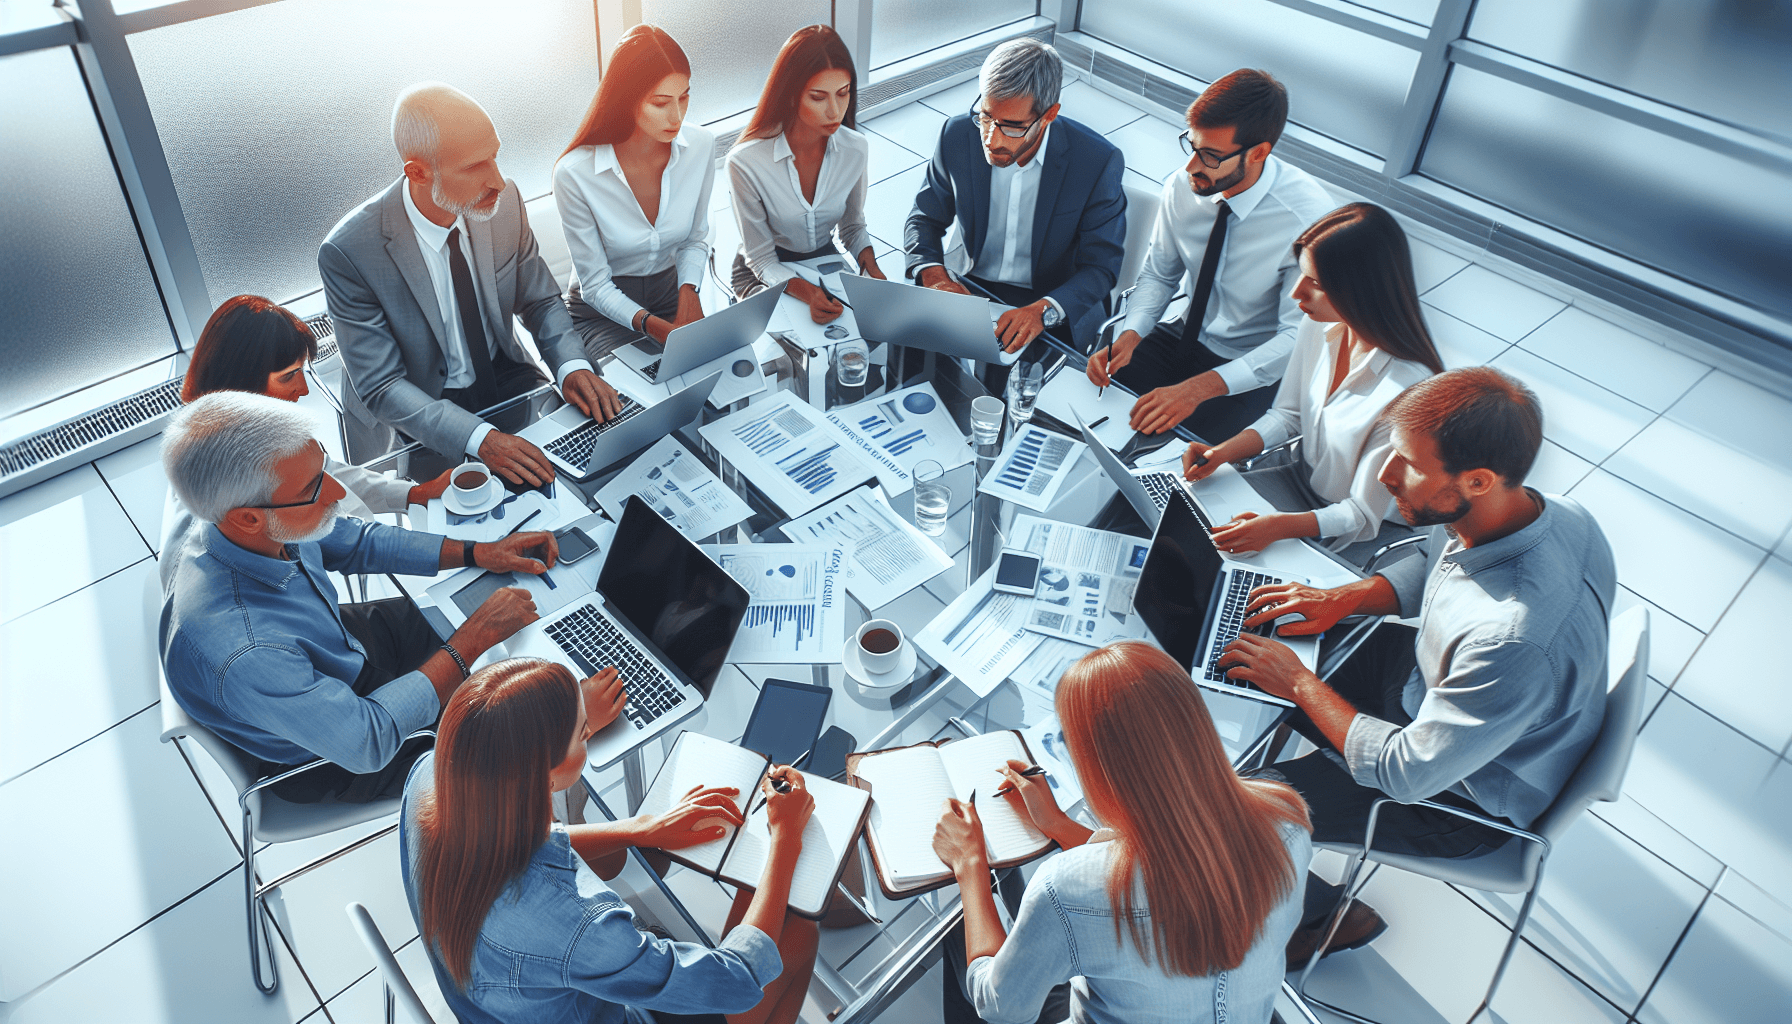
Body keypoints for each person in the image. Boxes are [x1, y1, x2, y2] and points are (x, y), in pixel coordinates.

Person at [1216, 367, 1615, 967]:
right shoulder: (1547, 512)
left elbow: (1407, 774)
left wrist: (1297, 682)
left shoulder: (1512, 638)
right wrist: (1342, 600)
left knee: (1229, 812)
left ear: (1477, 479)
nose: (1383, 475)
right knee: (1253, 639)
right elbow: (1434, 564)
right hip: (1427, 693)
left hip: (1460, 796)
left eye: (1406, 462)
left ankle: (1318, 920)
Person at [158, 391, 576, 803]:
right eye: (313, 488)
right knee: (529, 740)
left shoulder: (250, 521)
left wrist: (478, 552)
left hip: (338, 646)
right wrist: (472, 640)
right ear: (247, 518)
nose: (338, 494)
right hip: (332, 753)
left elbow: (356, 542)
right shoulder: (245, 651)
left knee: (467, 615)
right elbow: (368, 741)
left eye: (324, 469)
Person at [401, 657, 819, 1024]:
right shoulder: (583, 926)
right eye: (583, 734)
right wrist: (785, 835)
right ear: (540, 775)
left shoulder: (430, 778)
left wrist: (644, 828)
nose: (589, 733)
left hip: (496, 1008)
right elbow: (737, 979)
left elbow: (519, 847)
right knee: (800, 926)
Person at [931, 641, 1312, 1024]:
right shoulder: (1287, 818)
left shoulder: (1063, 890)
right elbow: (1169, 877)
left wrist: (971, 864)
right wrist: (1058, 826)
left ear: (1100, 770)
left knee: (955, 921)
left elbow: (1001, 1007)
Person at [320, 83, 621, 487]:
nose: (497, 180)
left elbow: (540, 302)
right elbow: (383, 385)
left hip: (506, 376)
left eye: (495, 156)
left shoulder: (504, 203)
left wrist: (571, 365)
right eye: (475, 166)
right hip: (420, 411)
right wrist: (482, 440)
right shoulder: (349, 252)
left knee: (597, 458)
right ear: (418, 172)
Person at [1181, 203, 1444, 558]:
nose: (1296, 294)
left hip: (1351, 526)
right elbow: (1289, 416)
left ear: (1361, 289)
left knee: (1217, 557)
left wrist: (1276, 526)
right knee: (1185, 515)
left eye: (1315, 283)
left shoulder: (1407, 390)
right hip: (1297, 480)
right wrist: (1221, 453)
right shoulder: (1318, 325)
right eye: (1301, 275)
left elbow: (1361, 513)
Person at [1086, 69, 1333, 440]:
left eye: (1212, 156)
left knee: (1182, 466)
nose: (1191, 167)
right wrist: (1132, 333)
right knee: (1088, 408)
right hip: (1182, 335)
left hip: (1249, 365)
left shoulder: (1307, 220)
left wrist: (1198, 389)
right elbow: (1159, 274)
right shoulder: (1183, 186)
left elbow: (1295, 337)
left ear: (1259, 153)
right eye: (1191, 144)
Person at [159, 295, 455, 583]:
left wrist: (412, 495)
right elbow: (350, 539)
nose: (303, 389)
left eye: (303, 372)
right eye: (288, 376)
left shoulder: (241, 434)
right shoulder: (226, 480)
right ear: (242, 382)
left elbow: (327, 473)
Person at [904, 38, 1126, 391]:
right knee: (907, 368)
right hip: (971, 286)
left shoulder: (1096, 162)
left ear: (1049, 115)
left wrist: (1042, 311)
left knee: (1011, 397)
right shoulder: (958, 135)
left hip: (1048, 302)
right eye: (986, 116)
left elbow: (1101, 268)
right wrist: (933, 276)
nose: (991, 139)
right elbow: (924, 219)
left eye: (1011, 125)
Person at [555, 25, 715, 361]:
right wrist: (653, 326)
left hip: (670, 294)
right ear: (628, 100)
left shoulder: (700, 146)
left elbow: (695, 238)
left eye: (684, 97)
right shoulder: (575, 173)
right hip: (599, 314)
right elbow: (595, 286)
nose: (677, 116)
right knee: (634, 401)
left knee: (712, 383)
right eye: (661, 103)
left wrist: (690, 291)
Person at [727, 24, 884, 318]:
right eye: (818, 97)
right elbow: (761, 259)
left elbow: (851, 227)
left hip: (822, 256)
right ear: (791, 95)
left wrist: (870, 266)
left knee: (858, 339)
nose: (835, 111)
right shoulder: (745, 162)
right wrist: (808, 292)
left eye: (843, 93)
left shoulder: (855, 148)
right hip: (761, 269)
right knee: (787, 344)